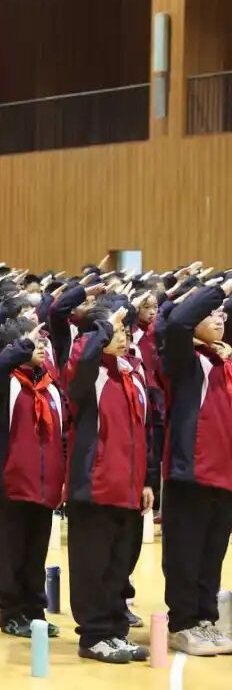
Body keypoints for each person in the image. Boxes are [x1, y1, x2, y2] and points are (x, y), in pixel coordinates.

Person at [65, 306, 154, 664]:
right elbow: (82, 361)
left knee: (119, 565)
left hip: (129, 487)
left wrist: (147, 479)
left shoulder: (133, 373)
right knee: (93, 564)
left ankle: (115, 631)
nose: (123, 337)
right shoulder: (87, 374)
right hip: (95, 485)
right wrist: (102, 329)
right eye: (115, 331)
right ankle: (94, 635)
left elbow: (145, 430)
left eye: (125, 331)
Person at [160, 281, 232, 655]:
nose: (218, 319)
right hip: (191, 472)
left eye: (222, 315)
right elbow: (177, 322)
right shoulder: (184, 359)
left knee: (212, 552)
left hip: (225, 474)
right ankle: (183, 623)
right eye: (210, 314)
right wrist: (219, 287)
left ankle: (205, 618)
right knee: (185, 552)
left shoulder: (225, 361)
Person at [0, 318, 64, 639]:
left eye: (41, 339)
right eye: (30, 341)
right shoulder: (5, 382)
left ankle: (35, 610)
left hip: (45, 485)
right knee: (10, 553)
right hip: (12, 482)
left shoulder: (51, 384)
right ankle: (11, 612)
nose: (40, 345)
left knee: (36, 553)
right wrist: (20, 350)